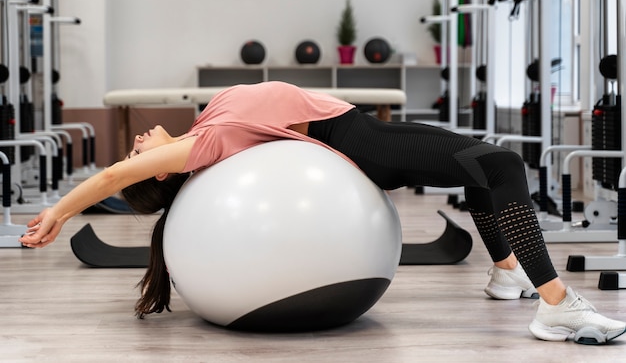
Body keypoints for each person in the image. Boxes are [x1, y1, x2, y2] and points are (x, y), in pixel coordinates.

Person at [19, 81, 625, 344]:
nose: (138, 143)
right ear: (161, 169)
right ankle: (556, 307)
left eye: (135, 144)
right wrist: (59, 213)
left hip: (354, 133)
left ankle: (506, 272)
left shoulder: (207, 128)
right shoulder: (197, 149)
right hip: (357, 140)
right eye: (139, 153)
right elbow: (115, 175)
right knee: (503, 170)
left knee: (479, 173)